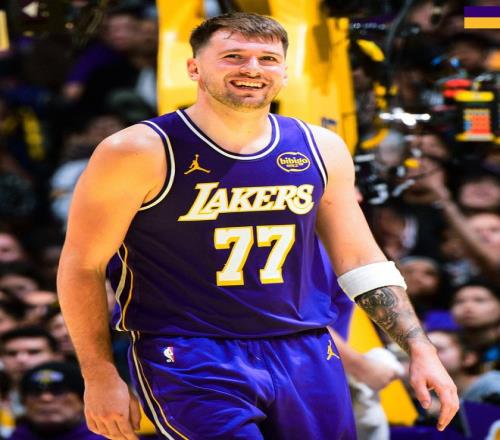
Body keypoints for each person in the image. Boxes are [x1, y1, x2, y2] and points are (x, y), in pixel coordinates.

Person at [57, 12, 459, 440]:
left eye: (267, 59)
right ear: (194, 68)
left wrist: (420, 348)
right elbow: (82, 266)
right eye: (233, 56)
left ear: (284, 72)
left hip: (305, 348)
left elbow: (361, 259)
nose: (252, 68)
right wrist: (98, 373)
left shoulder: (321, 147)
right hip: (192, 352)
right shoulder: (137, 150)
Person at [10, 361, 106, 439]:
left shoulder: (107, 436)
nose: (46, 398)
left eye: (58, 391)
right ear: (23, 401)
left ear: (84, 400)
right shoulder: (15, 435)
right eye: (36, 392)